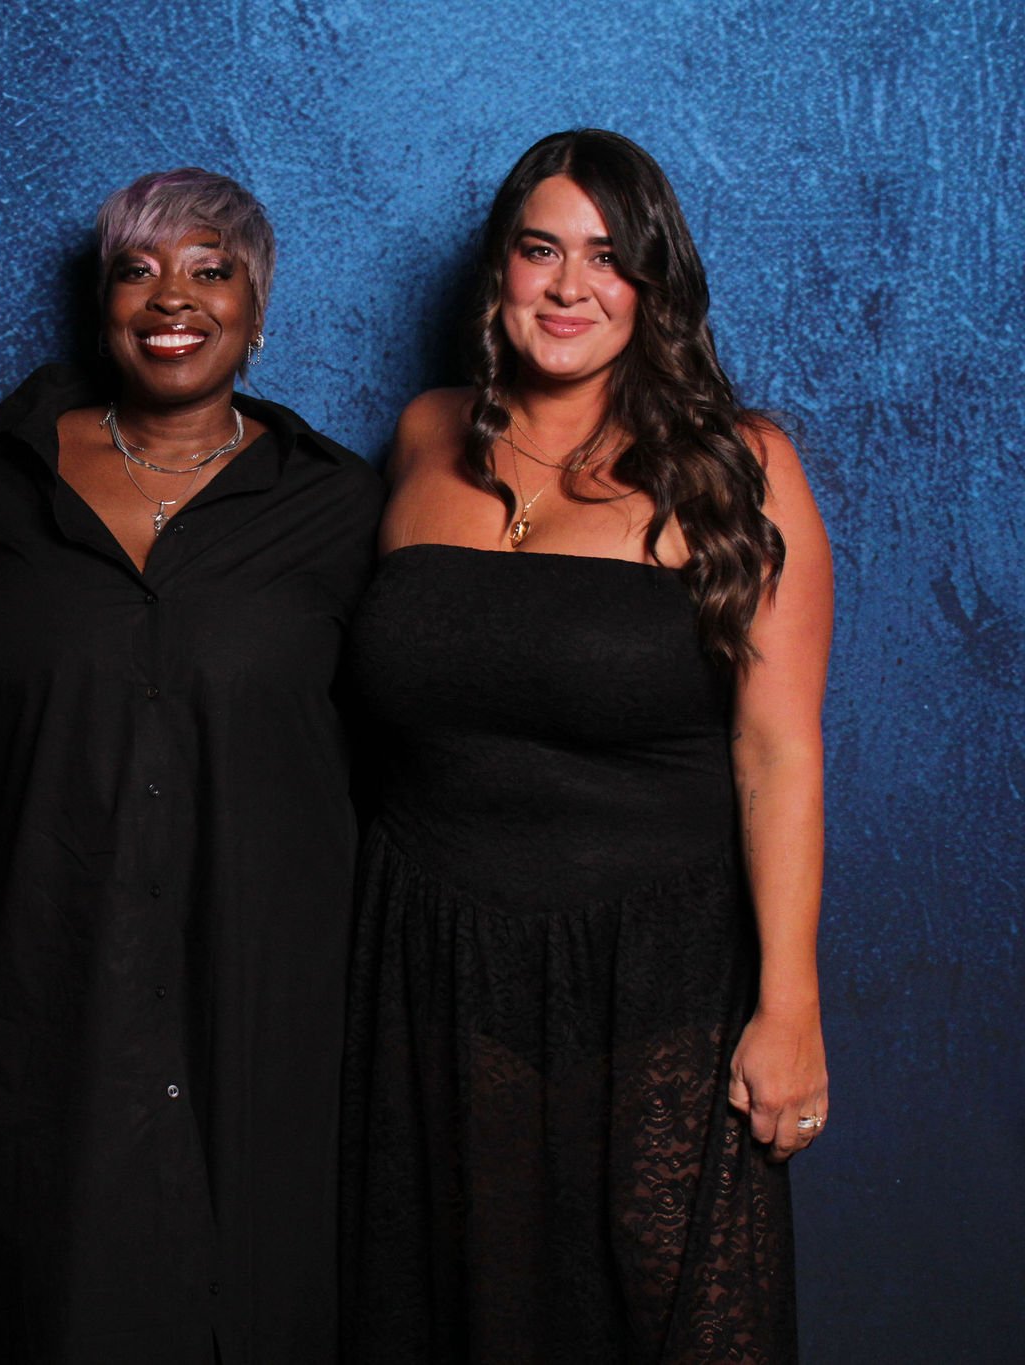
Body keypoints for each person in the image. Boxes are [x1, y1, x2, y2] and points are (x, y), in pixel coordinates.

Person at [342, 128, 832, 1362]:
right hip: (433, 963)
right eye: (539, 250)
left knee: (667, 1319)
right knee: (461, 1315)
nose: (568, 288)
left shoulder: (739, 466)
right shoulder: (420, 435)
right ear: (497, 274)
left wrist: (787, 1004)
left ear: (653, 283)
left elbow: (776, 753)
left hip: (654, 972)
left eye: (607, 258)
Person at [0, 169, 384, 1363]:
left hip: (263, 991)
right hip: (53, 978)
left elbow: (407, 729)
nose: (169, 298)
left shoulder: (337, 507)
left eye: (208, 269)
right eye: (136, 270)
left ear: (255, 305)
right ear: (101, 305)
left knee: (252, 1293)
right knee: (59, 1285)